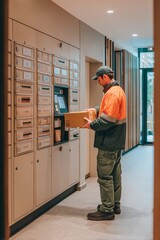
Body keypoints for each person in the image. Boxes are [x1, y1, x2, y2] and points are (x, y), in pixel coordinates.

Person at [82, 66, 126, 221]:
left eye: (99, 79)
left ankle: (107, 210)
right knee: (115, 174)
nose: (98, 82)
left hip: (108, 141)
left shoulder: (112, 93)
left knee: (105, 176)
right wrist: (94, 110)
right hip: (116, 141)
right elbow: (108, 111)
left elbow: (108, 119)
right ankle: (115, 204)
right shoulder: (117, 90)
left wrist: (92, 124)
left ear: (105, 77)